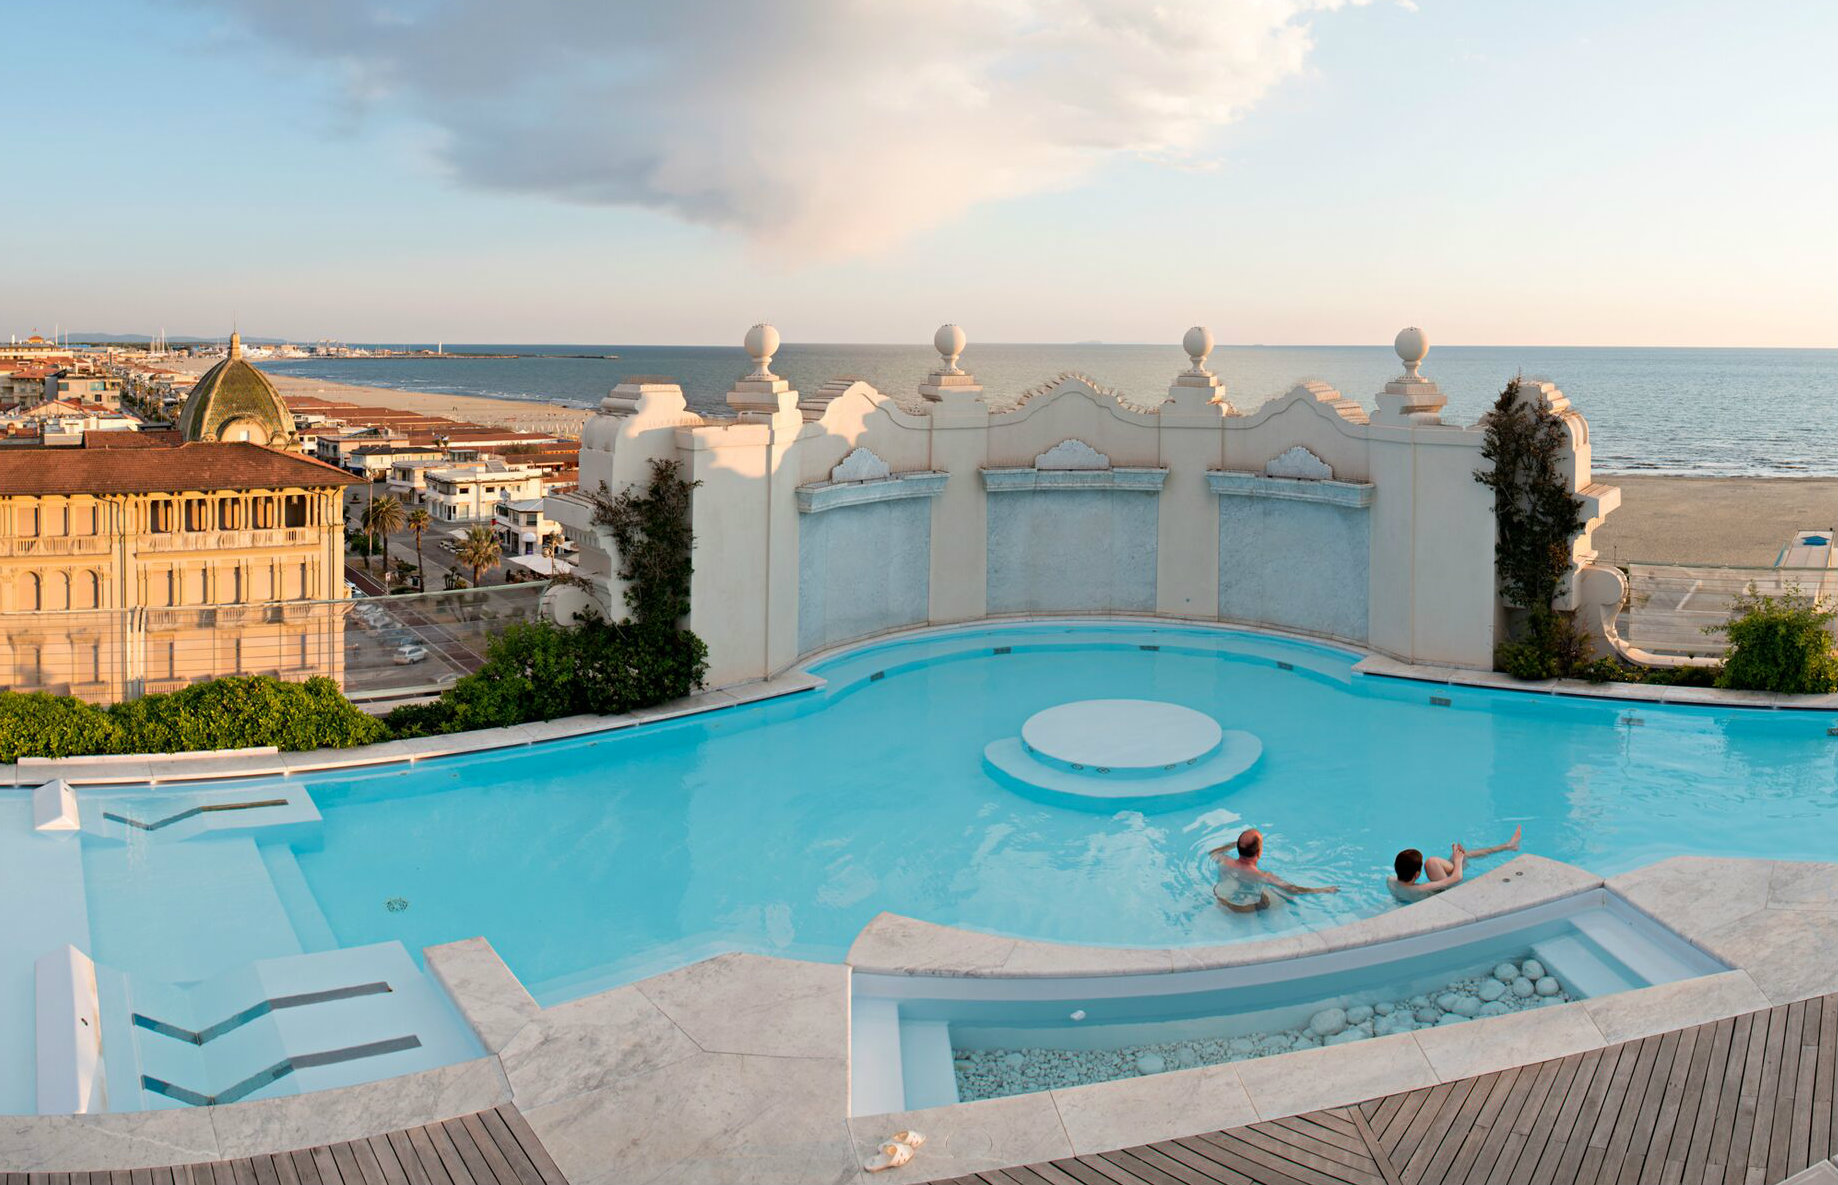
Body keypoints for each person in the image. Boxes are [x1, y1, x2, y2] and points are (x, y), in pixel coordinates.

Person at [1210, 828, 1340, 913]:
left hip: (1223, 901)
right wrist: (1323, 890)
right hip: (1246, 909)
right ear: (1259, 852)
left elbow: (1214, 852)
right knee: (1285, 897)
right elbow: (1294, 889)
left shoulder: (1224, 861)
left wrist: (1234, 844)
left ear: (1238, 848)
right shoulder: (1263, 876)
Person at [1389, 825, 1522, 901]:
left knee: (1432, 862)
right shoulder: (1419, 889)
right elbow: (1456, 878)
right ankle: (1508, 846)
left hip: (1431, 890)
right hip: (1445, 893)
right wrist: (1458, 861)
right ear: (1417, 874)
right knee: (1462, 856)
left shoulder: (1391, 881)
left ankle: (1508, 846)